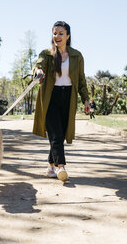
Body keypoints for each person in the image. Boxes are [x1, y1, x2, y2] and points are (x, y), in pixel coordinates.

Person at [31, 21, 90, 182]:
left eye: (61, 33)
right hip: (50, 97)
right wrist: (38, 71)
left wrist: (86, 100)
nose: (57, 36)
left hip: (69, 97)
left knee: (61, 134)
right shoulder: (46, 54)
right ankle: (61, 167)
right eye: (55, 33)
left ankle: (50, 165)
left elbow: (81, 80)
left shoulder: (77, 56)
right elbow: (38, 65)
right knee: (56, 134)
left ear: (68, 36)